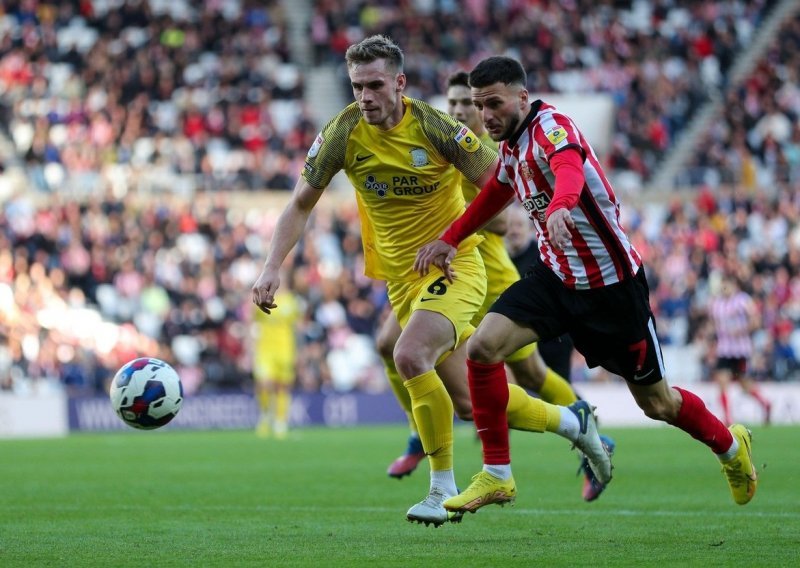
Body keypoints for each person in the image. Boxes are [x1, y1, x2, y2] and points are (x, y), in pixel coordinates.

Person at [251, 36, 611, 527]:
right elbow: (299, 205)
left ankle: (442, 487)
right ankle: (575, 423)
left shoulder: (435, 127)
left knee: (406, 353)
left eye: (375, 85)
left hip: (456, 266)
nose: (365, 97)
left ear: (399, 83)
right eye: (357, 87)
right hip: (402, 281)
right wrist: (272, 266)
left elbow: (496, 179)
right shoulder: (342, 133)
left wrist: (536, 215)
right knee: (469, 402)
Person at [414, 55, 757, 513]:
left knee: (658, 404)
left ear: (521, 96)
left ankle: (731, 450)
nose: (486, 115)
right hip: (556, 278)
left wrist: (560, 205)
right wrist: (450, 238)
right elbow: (496, 192)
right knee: (483, 348)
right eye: (480, 105)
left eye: (493, 103)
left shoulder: (552, 126)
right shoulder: (510, 149)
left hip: (613, 290)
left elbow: (569, 168)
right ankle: (497, 475)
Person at [381, 71, 614, 503]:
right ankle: (419, 432)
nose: (457, 111)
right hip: (441, 278)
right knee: (390, 344)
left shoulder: (484, 152)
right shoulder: (437, 143)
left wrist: (453, 222)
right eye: (451, 104)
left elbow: (505, 220)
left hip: (487, 275)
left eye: (465, 105)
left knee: (532, 374)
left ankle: (585, 426)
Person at [708, 274, 771, 425]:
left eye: (727, 285)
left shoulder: (743, 300)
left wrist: (742, 329)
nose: (725, 289)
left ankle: (765, 403)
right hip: (724, 350)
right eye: (723, 286)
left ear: (734, 286)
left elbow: (756, 321)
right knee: (722, 382)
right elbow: (714, 326)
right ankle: (727, 419)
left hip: (740, 350)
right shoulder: (716, 304)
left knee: (745, 384)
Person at [251, 270, 303, 439]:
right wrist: (250, 346)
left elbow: (298, 328)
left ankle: (281, 422)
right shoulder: (263, 298)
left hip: (285, 349)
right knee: (264, 384)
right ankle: (265, 415)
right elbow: (252, 324)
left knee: (282, 386)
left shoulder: (292, 302)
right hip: (265, 349)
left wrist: (300, 351)